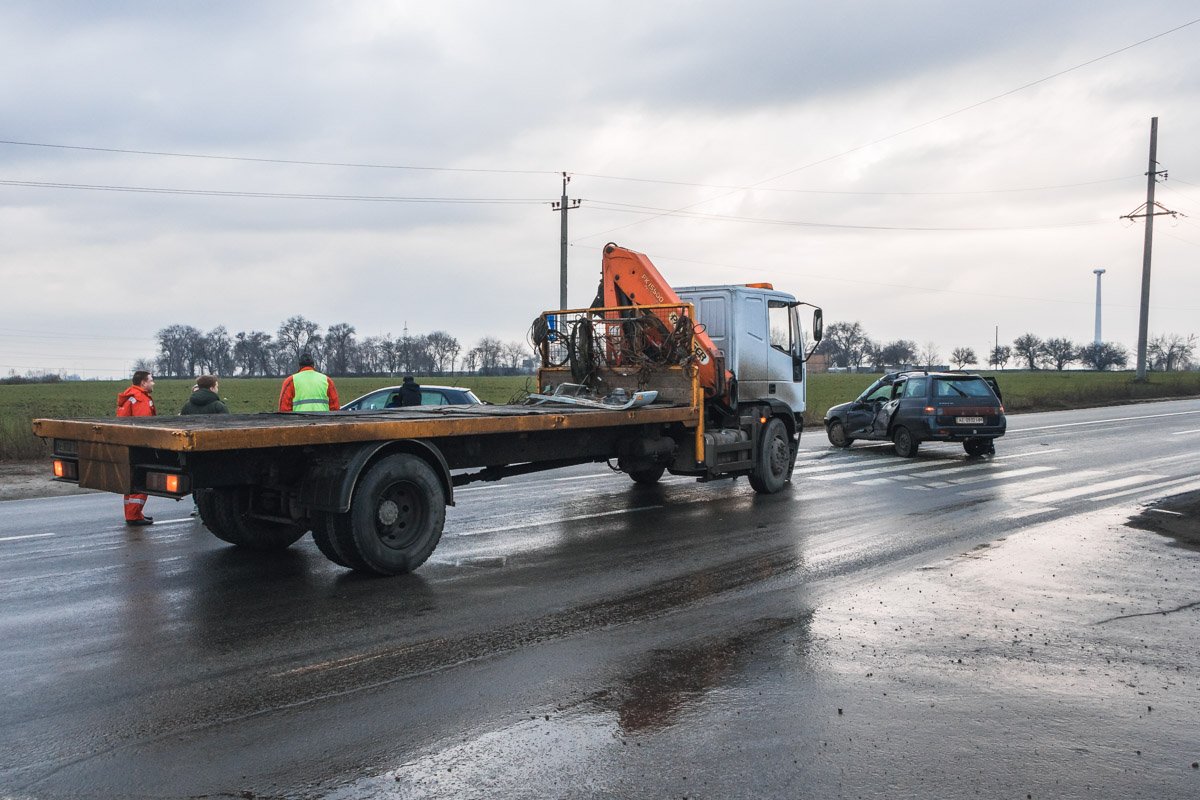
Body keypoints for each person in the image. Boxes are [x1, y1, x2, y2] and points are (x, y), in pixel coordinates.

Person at [181, 375, 229, 516]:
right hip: (214, 450)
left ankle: (198, 506)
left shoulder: (187, 406)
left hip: (193, 450)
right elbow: (227, 429)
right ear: (212, 387)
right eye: (217, 385)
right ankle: (212, 511)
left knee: (197, 478)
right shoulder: (218, 406)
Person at [115, 370, 156, 526]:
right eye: (151, 380)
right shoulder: (140, 399)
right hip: (139, 446)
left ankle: (133, 513)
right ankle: (134, 515)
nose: (153, 383)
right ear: (143, 383)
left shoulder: (129, 395)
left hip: (128, 443)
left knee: (131, 480)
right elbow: (144, 425)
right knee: (141, 480)